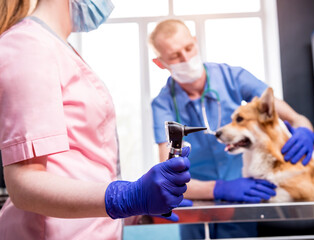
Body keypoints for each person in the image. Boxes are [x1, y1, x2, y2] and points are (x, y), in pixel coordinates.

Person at [0, 1, 191, 239]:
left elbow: (81, 166)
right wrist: (127, 197)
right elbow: (24, 186)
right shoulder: (28, 45)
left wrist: (141, 205)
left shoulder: (55, 47)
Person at [149, 19, 314, 239]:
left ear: (195, 42)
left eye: (189, 48)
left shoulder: (231, 77)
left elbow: (296, 118)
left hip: (245, 195)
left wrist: (304, 128)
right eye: (174, 56)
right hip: (197, 202)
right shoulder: (163, 104)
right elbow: (169, 177)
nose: (186, 58)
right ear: (161, 62)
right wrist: (218, 188)